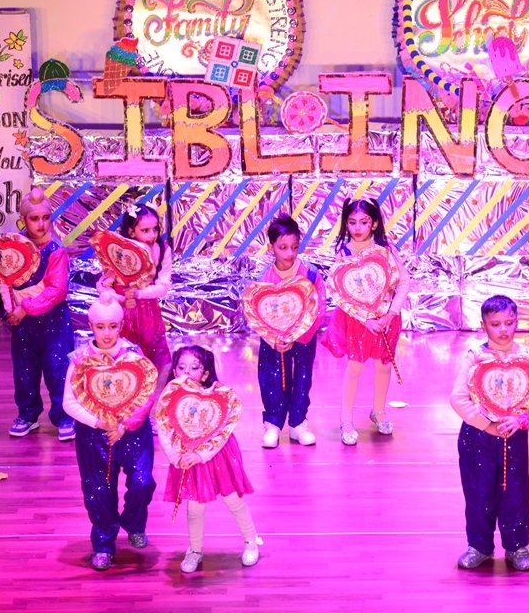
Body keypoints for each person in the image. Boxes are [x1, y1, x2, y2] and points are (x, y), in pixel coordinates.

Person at [449, 295, 529, 571]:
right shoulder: (474, 357)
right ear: (484, 326)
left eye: (509, 322)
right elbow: (458, 398)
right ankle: (479, 546)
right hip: (478, 437)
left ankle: (517, 546)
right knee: (478, 491)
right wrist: (487, 425)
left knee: (515, 491)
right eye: (495, 324)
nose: (503, 329)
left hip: (513, 435)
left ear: (517, 321)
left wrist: (522, 420)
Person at [62, 297, 155, 571]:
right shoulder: (80, 360)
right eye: (100, 327)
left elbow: (147, 394)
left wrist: (125, 425)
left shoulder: (134, 355)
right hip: (95, 435)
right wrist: (98, 422)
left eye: (112, 326)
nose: (106, 333)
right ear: (91, 326)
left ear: (121, 325)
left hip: (132, 431)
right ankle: (103, 544)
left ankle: (134, 524)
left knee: (142, 482)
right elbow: (69, 402)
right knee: (99, 489)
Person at [156, 345, 260, 573]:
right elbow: (164, 429)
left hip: (217, 456)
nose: (186, 372)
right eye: (181, 367)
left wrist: (201, 454)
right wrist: (176, 457)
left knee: (233, 500)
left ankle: (251, 540)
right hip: (187, 459)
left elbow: (223, 431)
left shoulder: (218, 396)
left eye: (194, 368)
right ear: (174, 371)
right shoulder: (169, 398)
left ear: (204, 374)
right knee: (195, 508)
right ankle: (195, 550)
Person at [323, 199, 410, 445]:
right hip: (357, 322)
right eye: (352, 223)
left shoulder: (386, 250)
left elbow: (403, 281)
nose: (358, 228)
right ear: (346, 224)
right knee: (355, 368)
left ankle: (379, 412)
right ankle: (346, 420)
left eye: (363, 222)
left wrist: (390, 314)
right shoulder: (344, 254)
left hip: (387, 319)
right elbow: (341, 294)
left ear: (373, 224)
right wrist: (365, 319)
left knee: (384, 366)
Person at [1, 187, 75, 441]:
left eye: (45, 218)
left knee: (57, 369)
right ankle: (27, 414)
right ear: (24, 219)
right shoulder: (14, 247)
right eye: (34, 218)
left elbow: (56, 291)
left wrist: (25, 308)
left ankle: (64, 417)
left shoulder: (55, 251)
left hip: (53, 321)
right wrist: (9, 309)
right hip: (23, 324)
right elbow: (4, 279)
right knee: (24, 370)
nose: (41, 224)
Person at [255, 214, 325, 448]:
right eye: (282, 247)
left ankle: (298, 423)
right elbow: (256, 312)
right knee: (272, 378)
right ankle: (273, 425)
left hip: (304, 339)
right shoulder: (264, 279)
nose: (289, 253)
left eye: (294, 247)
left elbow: (319, 308)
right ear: (271, 247)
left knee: (303, 378)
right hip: (274, 341)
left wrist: (299, 335)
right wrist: (272, 338)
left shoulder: (310, 275)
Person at [98, 203, 173, 387]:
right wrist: (121, 299)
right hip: (121, 313)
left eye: (155, 229)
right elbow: (102, 286)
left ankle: (152, 398)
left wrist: (139, 294)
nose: (152, 235)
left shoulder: (162, 250)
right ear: (131, 232)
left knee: (155, 358)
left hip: (149, 313)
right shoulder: (118, 252)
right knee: (123, 361)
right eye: (145, 230)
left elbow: (163, 286)